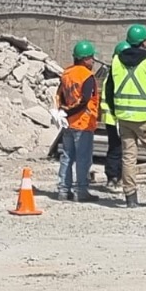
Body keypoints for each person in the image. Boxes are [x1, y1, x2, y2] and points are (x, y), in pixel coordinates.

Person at [107, 24, 146, 208]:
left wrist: (114, 111)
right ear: (144, 41)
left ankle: (130, 198)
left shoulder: (117, 61)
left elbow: (110, 90)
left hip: (124, 117)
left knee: (128, 157)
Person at [56, 40, 100, 201]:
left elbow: (59, 95)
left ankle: (63, 190)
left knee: (67, 156)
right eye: (91, 58)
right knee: (83, 158)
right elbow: (85, 100)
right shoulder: (87, 76)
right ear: (84, 59)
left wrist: (63, 112)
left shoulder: (66, 74)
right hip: (83, 122)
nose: (93, 61)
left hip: (68, 123)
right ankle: (81, 191)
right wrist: (71, 112)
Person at [100, 41, 131, 188]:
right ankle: (114, 177)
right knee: (118, 149)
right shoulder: (118, 75)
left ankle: (115, 177)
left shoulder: (113, 74)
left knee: (117, 148)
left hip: (112, 118)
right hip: (117, 118)